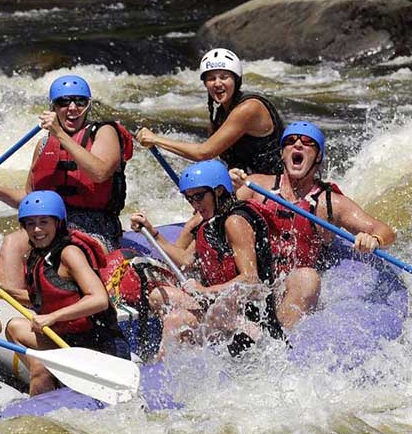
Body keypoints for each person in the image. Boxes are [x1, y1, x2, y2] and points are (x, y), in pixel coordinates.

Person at [0, 74, 133, 290]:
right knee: (13, 242)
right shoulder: (45, 144)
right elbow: (30, 200)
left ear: (88, 105)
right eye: (63, 102)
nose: (72, 108)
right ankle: (15, 312)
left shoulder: (104, 132)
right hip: (50, 223)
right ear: (54, 107)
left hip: (95, 226)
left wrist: (59, 133)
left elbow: (100, 173)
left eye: (79, 101)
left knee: (67, 252)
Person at [232, 121, 396, 328]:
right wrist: (224, 187)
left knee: (308, 278)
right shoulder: (255, 185)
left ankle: (276, 339)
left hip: (291, 284)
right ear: (283, 153)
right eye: (290, 142)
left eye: (307, 142)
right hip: (252, 276)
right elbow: (214, 217)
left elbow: (386, 231)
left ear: (318, 157)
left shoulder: (329, 203)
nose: (298, 146)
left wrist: (373, 239)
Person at [131, 160, 282, 359]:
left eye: (199, 197)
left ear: (218, 191)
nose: (195, 205)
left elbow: (250, 280)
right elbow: (185, 259)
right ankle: (179, 358)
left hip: (251, 318)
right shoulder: (210, 224)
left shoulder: (235, 221)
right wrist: (152, 232)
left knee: (177, 319)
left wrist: (204, 290)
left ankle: (162, 366)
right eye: (189, 199)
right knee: (158, 296)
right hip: (222, 308)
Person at [0, 191, 130, 396]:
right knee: (15, 327)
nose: (37, 229)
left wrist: (53, 317)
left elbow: (99, 299)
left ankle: (43, 389)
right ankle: (50, 381)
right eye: (30, 223)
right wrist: (5, 291)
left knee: (41, 366)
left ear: (58, 223)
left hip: (100, 346)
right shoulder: (37, 254)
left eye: (43, 222)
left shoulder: (69, 253)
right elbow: (43, 298)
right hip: (66, 341)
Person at [136, 48, 285, 175]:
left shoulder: (248, 108)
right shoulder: (220, 113)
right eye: (211, 78)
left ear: (236, 80)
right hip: (247, 181)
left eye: (224, 77)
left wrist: (156, 139)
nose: (217, 83)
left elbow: (204, 153)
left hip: (275, 183)